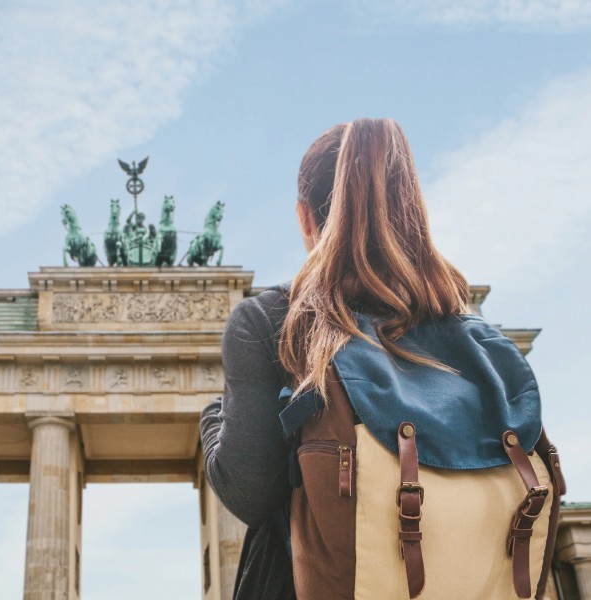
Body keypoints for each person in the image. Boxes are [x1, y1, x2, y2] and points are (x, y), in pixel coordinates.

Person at [200, 118, 558, 599]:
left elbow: (248, 492)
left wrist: (213, 417)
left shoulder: (274, 321)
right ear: (409, 208)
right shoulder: (474, 337)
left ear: (305, 217)